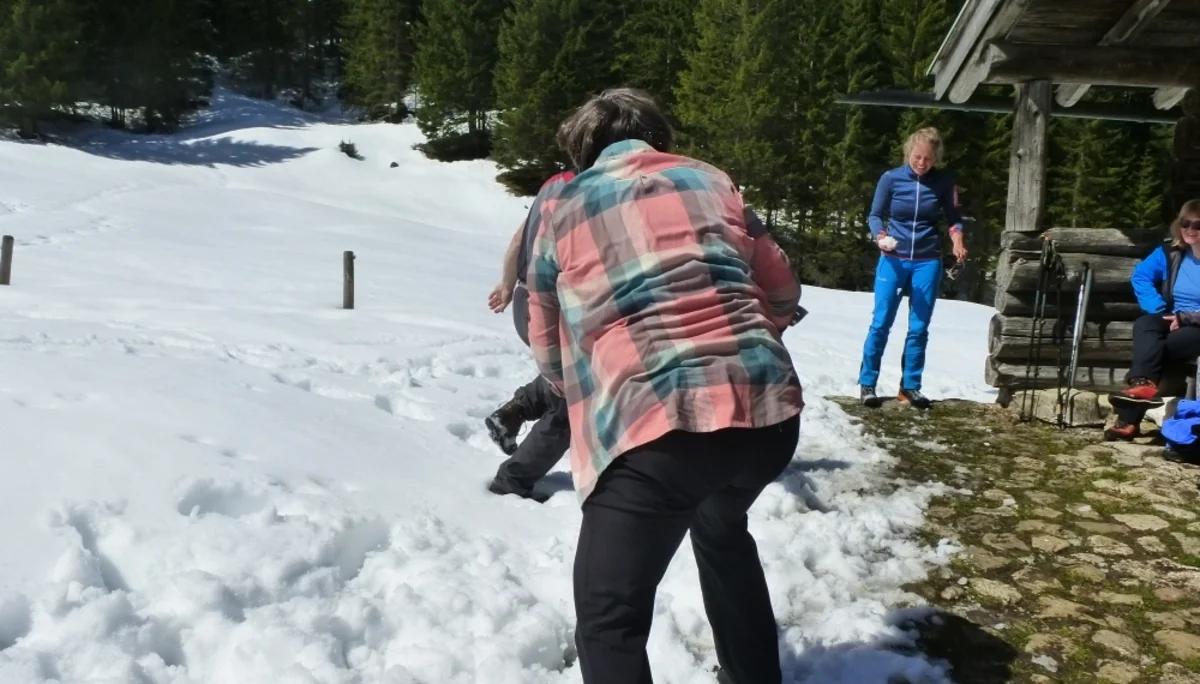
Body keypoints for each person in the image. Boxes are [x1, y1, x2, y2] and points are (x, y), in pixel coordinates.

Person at [525, 87, 805, 684]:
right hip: (768, 410)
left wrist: (578, 381)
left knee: (609, 614)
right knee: (722, 529)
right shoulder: (713, 181)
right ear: (658, 137)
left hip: (659, 427)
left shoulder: (561, 208)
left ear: (584, 151)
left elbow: (545, 338)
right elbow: (782, 287)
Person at [482, 169, 577, 502]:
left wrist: (508, 285)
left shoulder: (554, 185)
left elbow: (518, 241)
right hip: (549, 305)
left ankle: (513, 412)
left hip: (526, 299)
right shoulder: (589, 190)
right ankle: (512, 481)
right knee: (573, 400)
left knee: (565, 374)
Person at [857, 126, 967, 409]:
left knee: (919, 327)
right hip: (893, 258)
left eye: (928, 159)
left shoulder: (943, 182)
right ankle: (867, 383)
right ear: (909, 153)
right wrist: (880, 236)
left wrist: (957, 241)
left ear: (936, 158)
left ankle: (910, 387)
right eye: (917, 157)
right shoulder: (891, 178)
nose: (921, 163)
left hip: (927, 260)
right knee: (881, 322)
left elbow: (954, 219)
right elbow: (874, 215)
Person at [1106, 199, 1200, 440]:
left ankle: (1128, 420)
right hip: (1174, 318)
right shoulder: (1171, 253)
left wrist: (1185, 317)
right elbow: (1141, 276)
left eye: (1197, 225)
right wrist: (1157, 308)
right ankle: (1142, 382)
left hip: (1196, 326)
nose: (1189, 229)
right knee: (1146, 324)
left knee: (1158, 349)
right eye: (1184, 223)